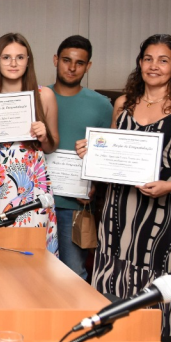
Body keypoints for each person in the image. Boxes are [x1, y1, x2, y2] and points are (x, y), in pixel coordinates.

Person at [77, 34, 171, 337]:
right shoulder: (123, 103)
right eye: (148, 59)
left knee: (155, 289)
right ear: (139, 63)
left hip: (161, 216)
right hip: (116, 212)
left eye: (163, 60)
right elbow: (110, 157)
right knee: (111, 280)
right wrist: (92, 152)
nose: (154, 66)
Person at [0, 33, 60, 253]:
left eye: (20, 57)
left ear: (28, 61)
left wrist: (44, 136)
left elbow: (52, 146)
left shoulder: (44, 95)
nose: (13, 63)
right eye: (6, 57)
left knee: (32, 251)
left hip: (32, 185)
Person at [49, 36, 113, 278]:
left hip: (75, 205)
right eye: (66, 60)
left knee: (73, 274)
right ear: (56, 60)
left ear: (88, 66)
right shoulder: (38, 97)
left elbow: (109, 156)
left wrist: (95, 185)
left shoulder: (102, 105)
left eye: (79, 62)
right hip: (33, 202)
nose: (72, 67)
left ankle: (76, 319)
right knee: (30, 274)